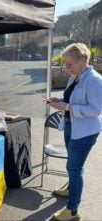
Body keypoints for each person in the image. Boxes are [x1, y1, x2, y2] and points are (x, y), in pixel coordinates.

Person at [46, 43, 102, 221]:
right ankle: (71, 188)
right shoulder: (75, 77)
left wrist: (67, 106)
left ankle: (72, 211)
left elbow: (95, 110)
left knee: (74, 167)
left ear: (83, 60)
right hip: (71, 125)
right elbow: (70, 99)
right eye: (65, 64)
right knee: (73, 164)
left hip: (85, 132)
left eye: (69, 64)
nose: (66, 68)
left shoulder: (94, 80)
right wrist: (58, 101)